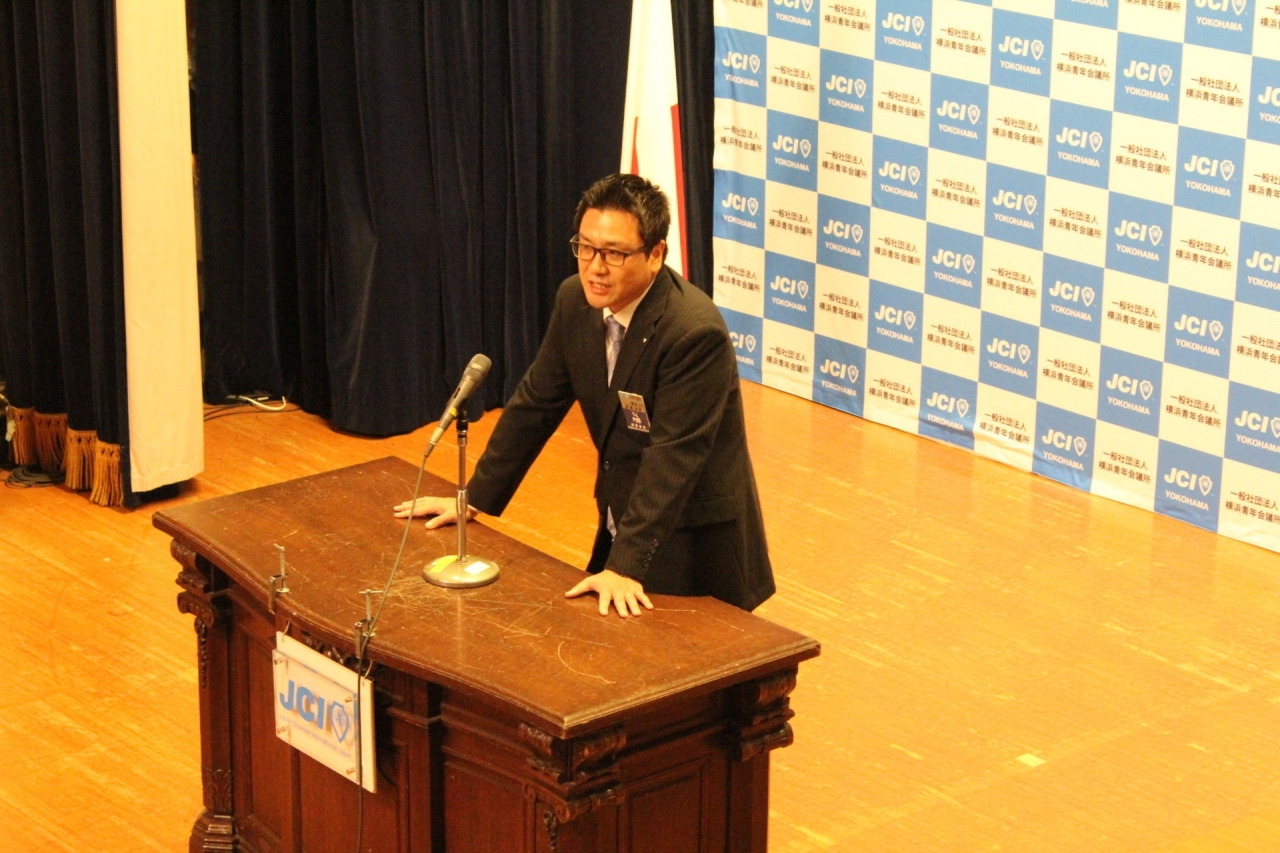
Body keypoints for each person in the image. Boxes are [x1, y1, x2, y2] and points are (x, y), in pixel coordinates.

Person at [395, 173, 774, 617]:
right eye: (586, 247)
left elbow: (674, 458)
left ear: (655, 254)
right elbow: (535, 406)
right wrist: (474, 497)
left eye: (614, 253)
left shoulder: (693, 333)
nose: (595, 267)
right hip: (622, 522)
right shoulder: (575, 301)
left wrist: (625, 566)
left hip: (692, 542)